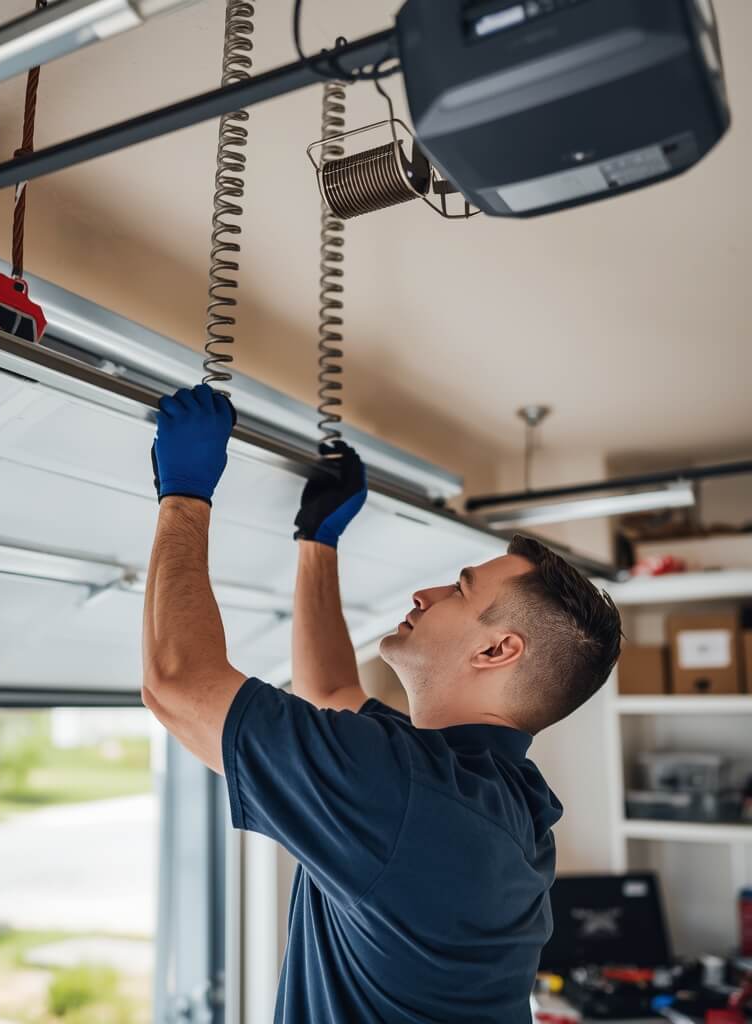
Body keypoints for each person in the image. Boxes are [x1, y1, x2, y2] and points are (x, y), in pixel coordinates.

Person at [141, 384, 623, 1024]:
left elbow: (178, 682)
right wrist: (319, 543)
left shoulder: (412, 793)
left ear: (496, 650)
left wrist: (185, 493)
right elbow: (332, 695)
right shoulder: (487, 785)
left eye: (459, 589)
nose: (425, 591)